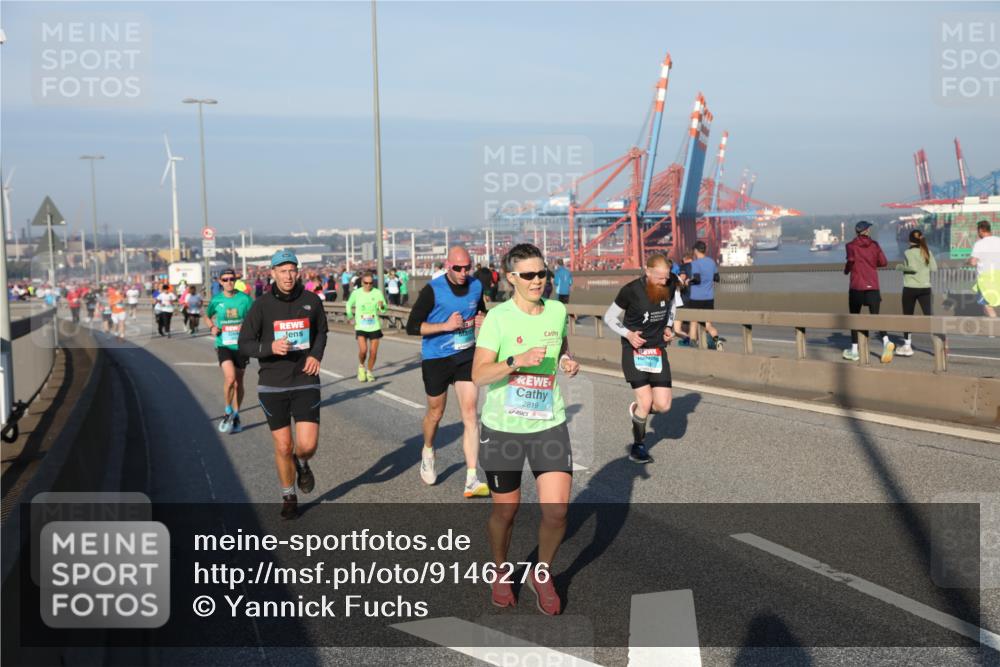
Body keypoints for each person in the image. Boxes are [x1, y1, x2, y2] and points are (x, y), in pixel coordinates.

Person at [471, 242, 581, 614]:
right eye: (530, 275)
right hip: (504, 428)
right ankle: (500, 570)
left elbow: (560, 345)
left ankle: (542, 573)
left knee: (557, 512)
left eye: (543, 273)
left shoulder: (557, 310)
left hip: (548, 422)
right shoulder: (498, 318)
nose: (539, 281)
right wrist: (516, 361)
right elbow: (479, 374)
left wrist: (566, 360)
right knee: (507, 512)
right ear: (511, 278)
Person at [238, 250, 328, 520]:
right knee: (282, 447)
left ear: (297, 272)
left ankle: (303, 463)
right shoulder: (262, 305)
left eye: (292, 270)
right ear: (272, 273)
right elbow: (245, 344)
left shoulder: (311, 300)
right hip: (272, 384)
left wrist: (315, 355)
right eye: (282, 271)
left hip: (304, 379)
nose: (288, 276)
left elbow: (322, 331)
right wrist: (269, 347)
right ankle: (289, 495)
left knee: (306, 446)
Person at [405, 246, 490, 498]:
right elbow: (412, 326)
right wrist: (445, 325)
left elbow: (480, 311)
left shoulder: (476, 286)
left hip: (465, 356)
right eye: (458, 268)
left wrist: (482, 319)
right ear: (447, 265)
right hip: (436, 358)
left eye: (467, 267)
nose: (463, 273)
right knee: (435, 412)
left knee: (470, 414)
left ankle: (472, 478)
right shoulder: (433, 290)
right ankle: (429, 451)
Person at [602, 253, 681, 463]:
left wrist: (668, 326)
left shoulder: (671, 283)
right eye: (659, 278)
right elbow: (609, 317)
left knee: (663, 405)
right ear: (647, 271)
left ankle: (638, 410)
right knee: (646, 400)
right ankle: (638, 445)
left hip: (657, 349)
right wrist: (628, 334)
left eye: (666, 277)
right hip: (634, 350)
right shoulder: (631, 291)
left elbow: (672, 304)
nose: (664, 281)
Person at [207, 269, 254, 434]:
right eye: (225, 279)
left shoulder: (245, 299)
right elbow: (206, 315)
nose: (228, 282)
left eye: (231, 279)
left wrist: (247, 327)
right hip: (224, 345)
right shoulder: (217, 300)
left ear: (235, 280)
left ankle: (236, 414)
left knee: (239, 382)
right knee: (230, 378)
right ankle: (227, 409)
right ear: (220, 281)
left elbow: (255, 318)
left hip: (241, 346)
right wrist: (212, 326)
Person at [843, 221, 892, 362]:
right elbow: (883, 262)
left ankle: (854, 351)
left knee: (855, 317)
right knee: (875, 317)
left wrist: (847, 270)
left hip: (857, 286)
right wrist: (871, 263)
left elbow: (851, 261)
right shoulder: (875, 245)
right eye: (869, 228)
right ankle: (886, 341)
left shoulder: (850, 246)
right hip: (873, 286)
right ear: (867, 231)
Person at [895, 229, 937, 357]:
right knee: (930, 316)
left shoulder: (908, 252)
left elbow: (912, 268)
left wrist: (900, 267)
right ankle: (938, 344)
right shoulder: (927, 251)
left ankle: (907, 346)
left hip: (910, 288)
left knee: (908, 317)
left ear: (909, 240)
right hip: (925, 288)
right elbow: (934, 268)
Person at [346, 271, 387, 382]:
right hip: (361, 326)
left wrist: (382, 306)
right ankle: (361, 366)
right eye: (366, 283)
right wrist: (350, 316)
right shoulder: (357, 293)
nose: (368, 285)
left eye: (371, 283)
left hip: (374, 326)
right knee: (363, 350)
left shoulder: (377, 293)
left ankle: (369, 372)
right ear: (362, 282)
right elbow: (348, 304)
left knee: (373, 352)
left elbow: (384, 309)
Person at [687, 241, 722, 350]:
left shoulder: (695, 263)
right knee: (708, 325)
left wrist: (689, 281)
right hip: (709, 298)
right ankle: (717, 342)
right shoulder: (711, 262)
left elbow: (697, 279)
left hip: (696, 298)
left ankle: (693, 346)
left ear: (696, 251)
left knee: (693, 322)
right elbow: (717, 278)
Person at [970, 220, 1000, 319]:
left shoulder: (980, 244)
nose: (978, 234)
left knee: (987, 305)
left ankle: (994, 331)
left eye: (978, 231)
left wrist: (968, 261)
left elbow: (973, 262)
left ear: (981, 230)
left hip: (986, 279)